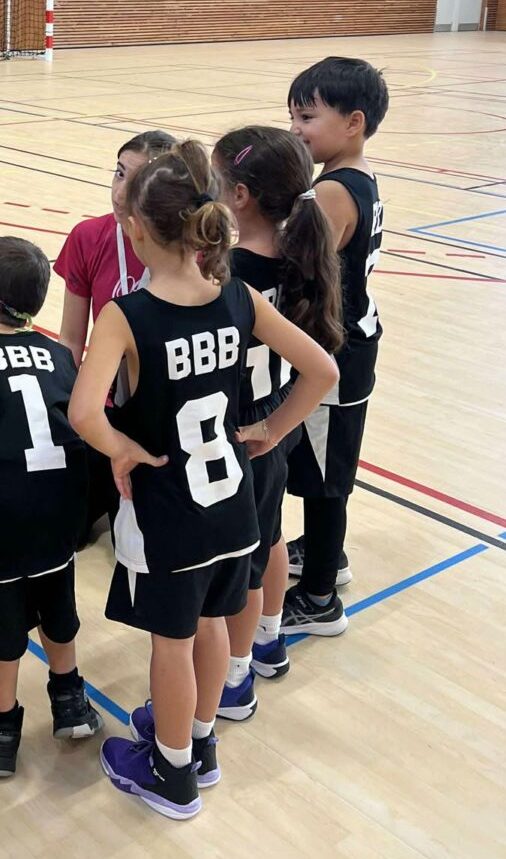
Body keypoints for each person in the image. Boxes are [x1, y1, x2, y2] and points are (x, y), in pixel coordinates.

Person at [69, 140, 338, 820]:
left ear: (135, 228)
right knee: (215, 622)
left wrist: (122, 447)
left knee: (172, 642)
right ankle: (199, 741)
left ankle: (171, 771)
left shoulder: (127, 316)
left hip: (169, 513)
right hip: (233, 506)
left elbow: (83, 413)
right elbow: (323, 371)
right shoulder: (239, 297)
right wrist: (272, 429)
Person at [0, 236, 102, 778]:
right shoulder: (60, 354)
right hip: (64, 504)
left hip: (1, 507)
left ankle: (1, 728)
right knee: (57, 592)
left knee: (2, 608)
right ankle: (70, 699)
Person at [211, 126, 344, 703]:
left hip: (242, 427)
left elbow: (323, 371)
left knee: (240, 561)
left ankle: (235, 677)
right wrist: (279, 426)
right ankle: (267, 641)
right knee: (269, 537)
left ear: (239, 196)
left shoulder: (228, 276)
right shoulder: (298, 258)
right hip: (272, 416)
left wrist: (266, 430)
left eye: (216, 180)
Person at [282, 57, 389, 636]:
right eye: (293, 116)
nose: (295, 129)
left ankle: (320, 596)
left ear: (353, 122)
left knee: (326, 477)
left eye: (307, 117)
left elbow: (294, 268)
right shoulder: (359, 175)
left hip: (337, 350)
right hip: (354, 338)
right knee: (328, 464)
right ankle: (327, 553)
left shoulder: (330, 192)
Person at [55, 130, 175, 534]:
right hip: (104, 412)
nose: (121, 193)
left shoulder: (187, 249)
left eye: (137, 182)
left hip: (164, 411)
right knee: (72, 531)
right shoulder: (88, 237)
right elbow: (71, 340)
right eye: (119, 173)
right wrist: (63, 410)